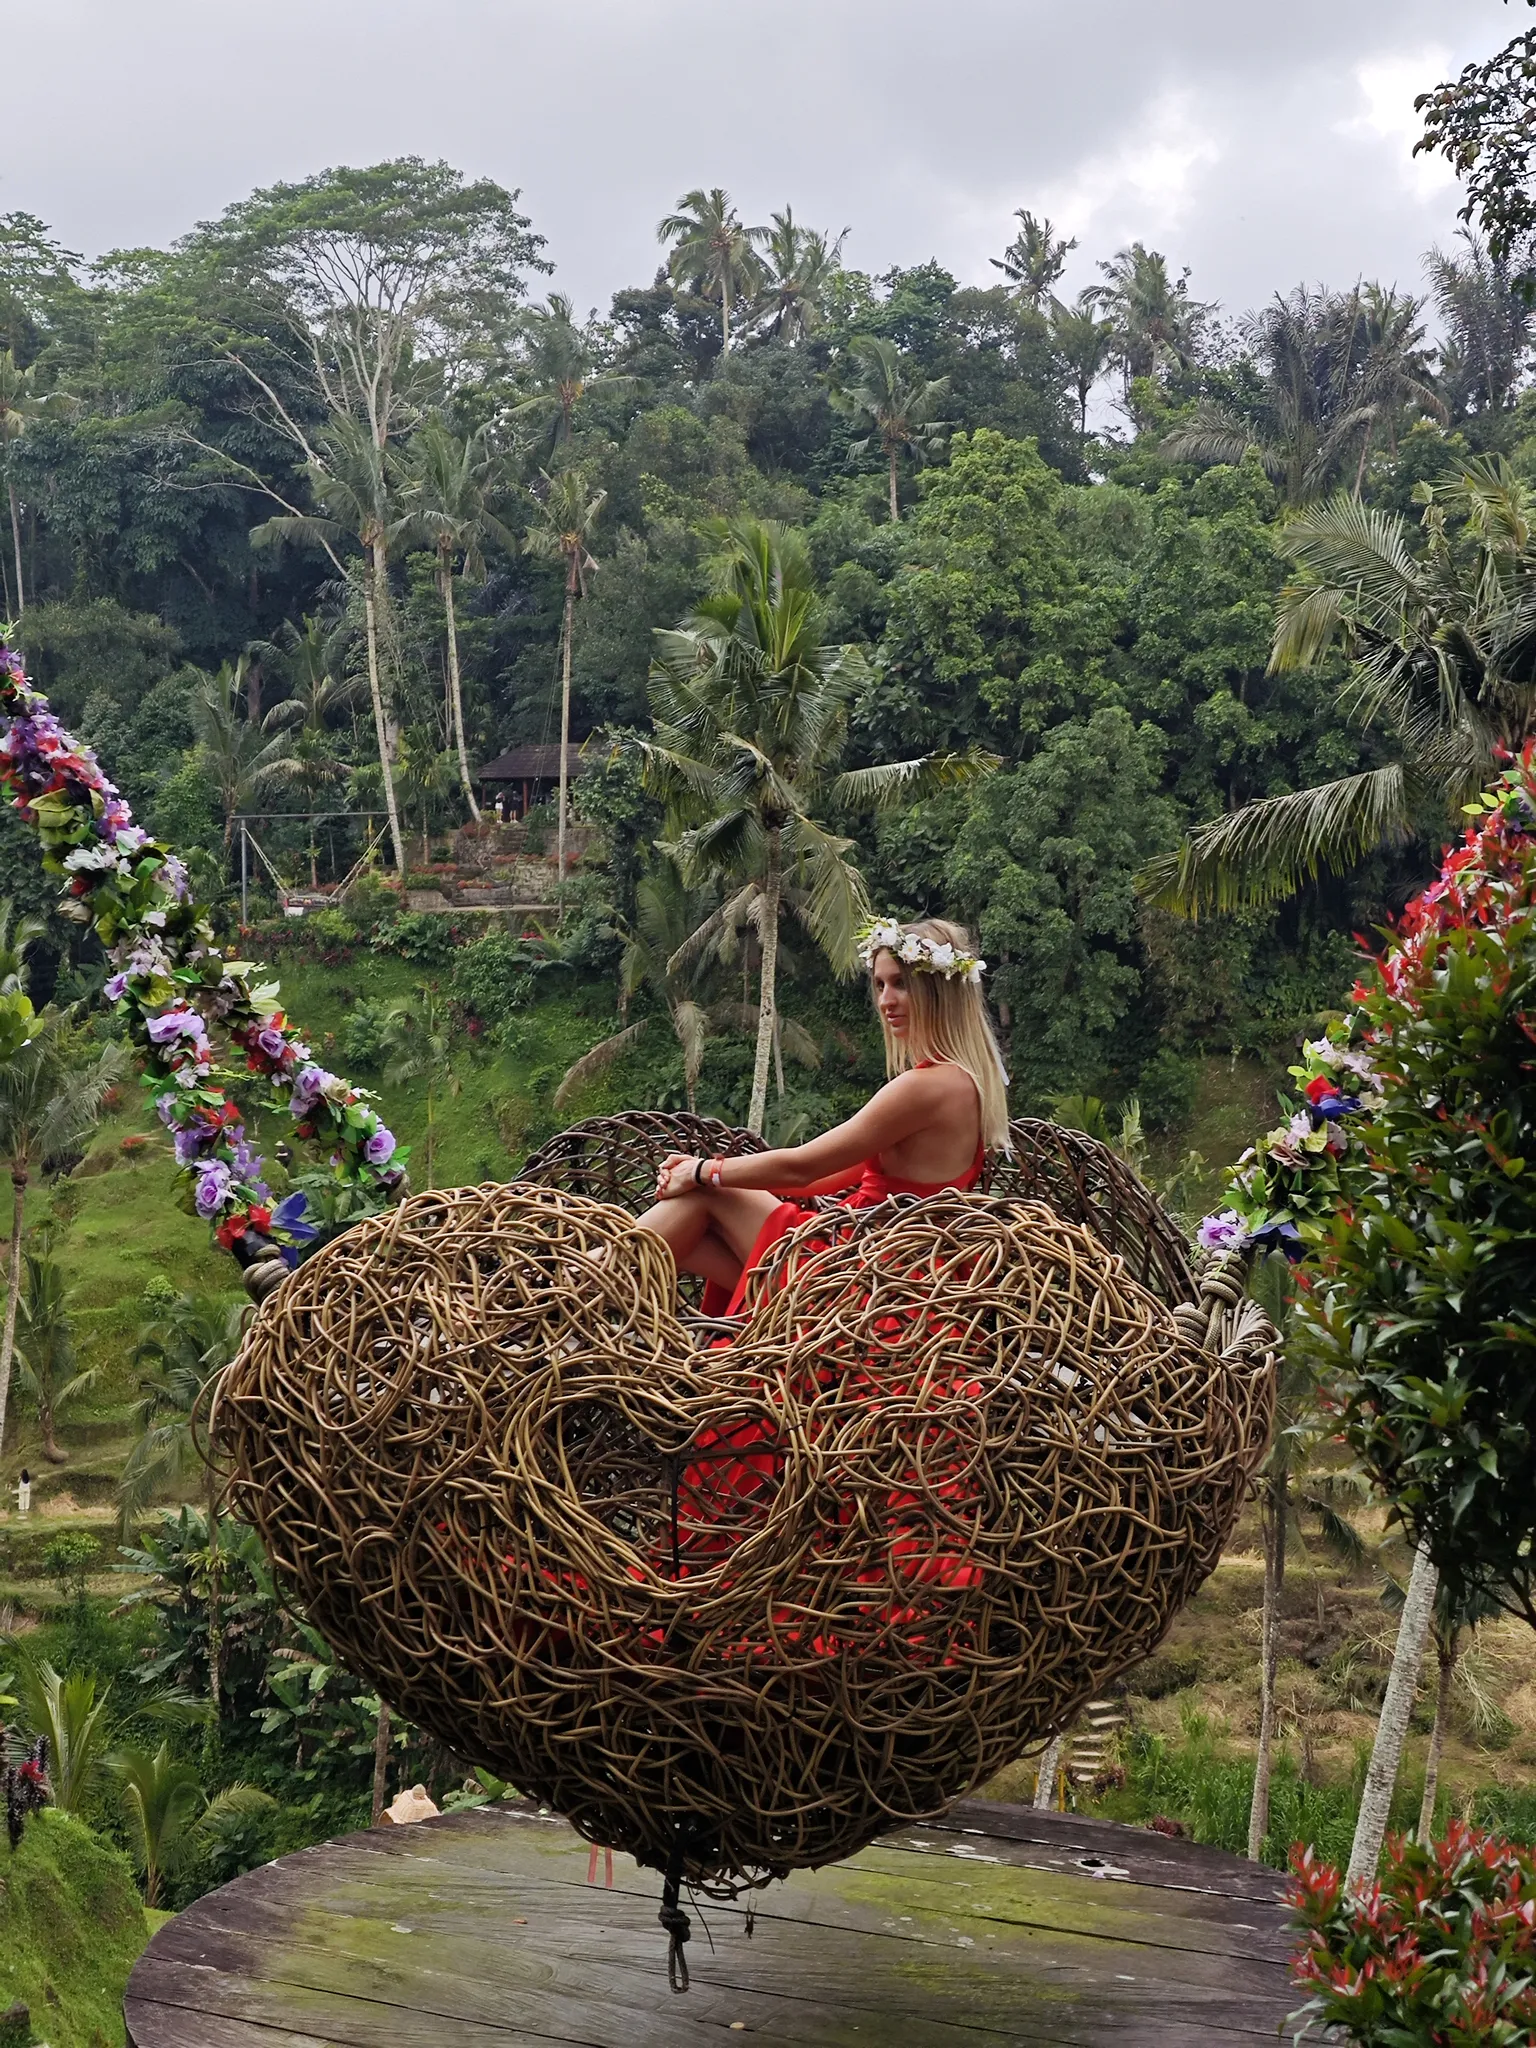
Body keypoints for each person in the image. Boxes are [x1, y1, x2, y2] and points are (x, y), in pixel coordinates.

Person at [639, 917, 1010, 1315]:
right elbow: (822, 1178)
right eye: (880, 984)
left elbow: (804, 1167)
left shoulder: (927, 1087)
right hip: (877, 1265)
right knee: (697, 1231)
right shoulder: (960, 1081)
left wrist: (701, 1171)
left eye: (901, 983)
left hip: (862, 1271)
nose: (886, 1000)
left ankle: (580, 1285)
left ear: (939, 991)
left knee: (707, 1196)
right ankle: (586, 1286)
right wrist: (713, 1175)